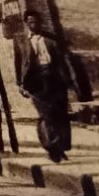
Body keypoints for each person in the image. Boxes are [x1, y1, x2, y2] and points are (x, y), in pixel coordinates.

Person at [15, 10, 75, 163]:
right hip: (35, 82)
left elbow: (62, 61)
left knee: (60, 114)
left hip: (54, 80)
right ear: (26, 23)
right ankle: (51, 146)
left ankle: (61, 146)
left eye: (36, 22)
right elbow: (18, 64)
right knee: (45, 115)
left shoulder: (51, 39)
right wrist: (20, 84)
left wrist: (69, 80)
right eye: (31, 22)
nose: (34, 25)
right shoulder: (20, 41)